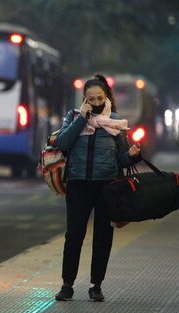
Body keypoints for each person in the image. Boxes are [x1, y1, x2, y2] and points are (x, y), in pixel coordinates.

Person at [53, 74, 141, 302]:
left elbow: (121, 159)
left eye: (98, 98)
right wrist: (81, 119)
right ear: (84, 99)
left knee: (103, 237)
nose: (95, 102)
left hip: (106, 186)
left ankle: (96, 286)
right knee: (74, 236)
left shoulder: (116, 121)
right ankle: (67, 284)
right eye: (90, 99)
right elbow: (61, 143)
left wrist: (132, 156)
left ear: (106, 97)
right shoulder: (73, 117)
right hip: (78, 185)